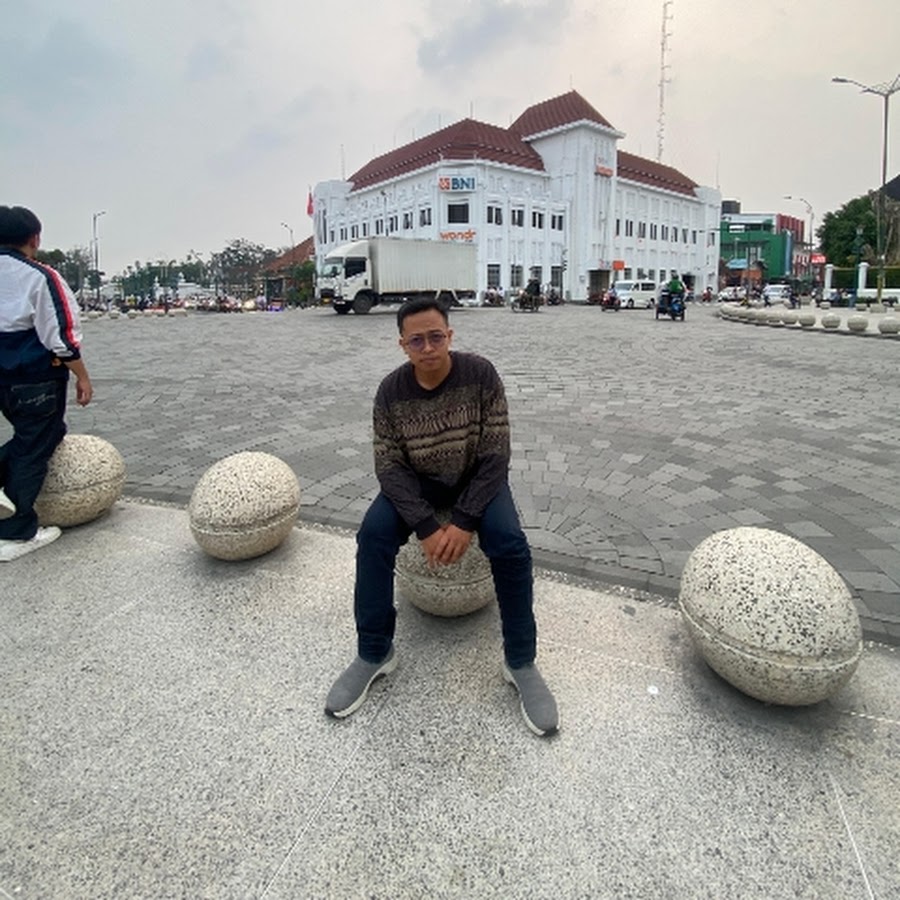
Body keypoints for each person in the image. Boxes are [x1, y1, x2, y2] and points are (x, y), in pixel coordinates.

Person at [325, 297, 559, 736]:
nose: (428, 347)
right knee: (372, 537)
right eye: (417, 340)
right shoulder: (390, 391)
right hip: (417, 484)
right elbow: (389, 466)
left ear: (450, 335)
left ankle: (521, 661)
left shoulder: (481, 375)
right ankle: (374, 652)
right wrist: (426, 526)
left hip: (477, 478)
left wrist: (465, 520)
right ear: (402, 345)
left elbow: (496, 454)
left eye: (436, 337)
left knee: (510, 544)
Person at [0, 206, 93, 561]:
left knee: (30, 438)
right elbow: (61, 336)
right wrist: (81, 375)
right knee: (37, 441)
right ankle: (16, 531)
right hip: (33, 376)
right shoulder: (40, 276)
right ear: (34, 239)